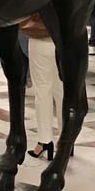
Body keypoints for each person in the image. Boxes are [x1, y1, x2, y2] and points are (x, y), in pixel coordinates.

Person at [23, 14, 65, 161]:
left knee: (42, 91)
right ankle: (66, 141)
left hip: (40, 37)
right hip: (65, 38)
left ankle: (45, 141)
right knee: (62, 91)